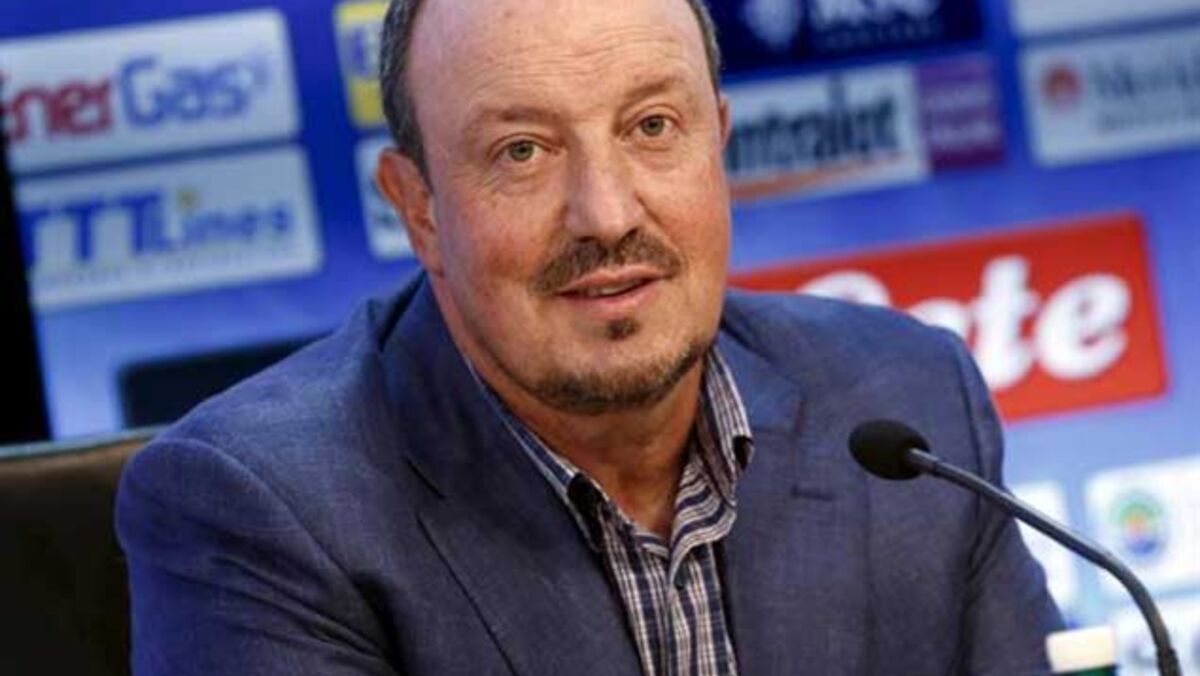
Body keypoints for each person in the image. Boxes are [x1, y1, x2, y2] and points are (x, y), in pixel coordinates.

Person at [115, 0, 1063, 674]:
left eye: (652, 126)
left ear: (718, 144)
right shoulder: (259, 509)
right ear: (420, 209)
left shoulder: (906, 400)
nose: (606, 214)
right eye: (521, 151)